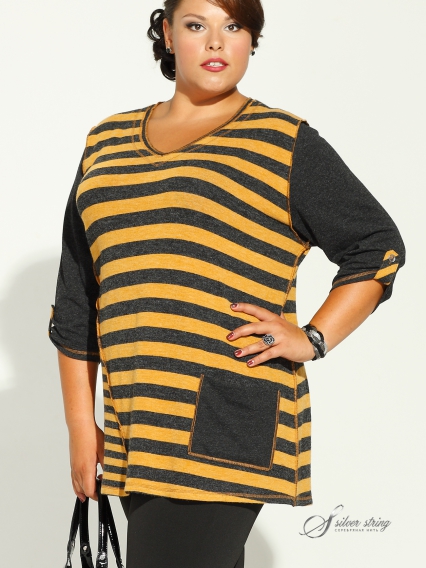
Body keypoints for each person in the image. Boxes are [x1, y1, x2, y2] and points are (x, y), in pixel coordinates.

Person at [48, 0, 405, 566]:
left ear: (251, 40)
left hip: (226, 418)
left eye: (233, 26)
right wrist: (80, 427)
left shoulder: (281, 140)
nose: (216, 42)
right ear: (167, 34)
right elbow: (76, 300)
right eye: (197, 25)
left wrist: (312, 338)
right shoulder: (105, 142)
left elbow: (376, 245)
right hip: (134, 419)